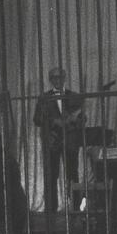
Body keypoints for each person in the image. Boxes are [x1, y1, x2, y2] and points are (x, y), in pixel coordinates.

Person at [32, 68, 86, 213]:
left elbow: (83, 119)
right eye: (54, 78)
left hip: (70, 141)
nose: (57, 80)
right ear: (50, 80)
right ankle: (51, 209)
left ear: (64, 78)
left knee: (72, 175)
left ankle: (76, 208)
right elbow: (37, 119)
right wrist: (53, 121)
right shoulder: (43, 98)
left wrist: (74, 120)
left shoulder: (74, 96)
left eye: (60, 77)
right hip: (52, 141)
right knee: (51, 176)